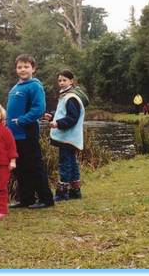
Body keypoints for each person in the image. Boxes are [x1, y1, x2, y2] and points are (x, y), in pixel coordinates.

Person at [6, 54, 54, 209]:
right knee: (20, 168)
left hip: (27, 131)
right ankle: (26, 199)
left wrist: (22, 120)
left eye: (26, 66)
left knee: (34, 165)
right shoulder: (15, 87)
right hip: (14, 134)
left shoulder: (34, 86)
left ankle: (46, 199)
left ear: (33, 68)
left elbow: (39, 109)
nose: (22, 69)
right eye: (19, 67)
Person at [44, 70, 86, 201]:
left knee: (65, 163)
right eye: (59, 81)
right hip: (70, 137)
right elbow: (62, 112)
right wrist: (51, 115)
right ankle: (75, 191)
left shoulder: (71, 97)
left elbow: (72, 118)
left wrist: (57, 124)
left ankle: (63, 193)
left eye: (64, 80)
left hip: (68, 137)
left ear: (71, 81)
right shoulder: (66, 95)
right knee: (72, 163)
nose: (61, 83)